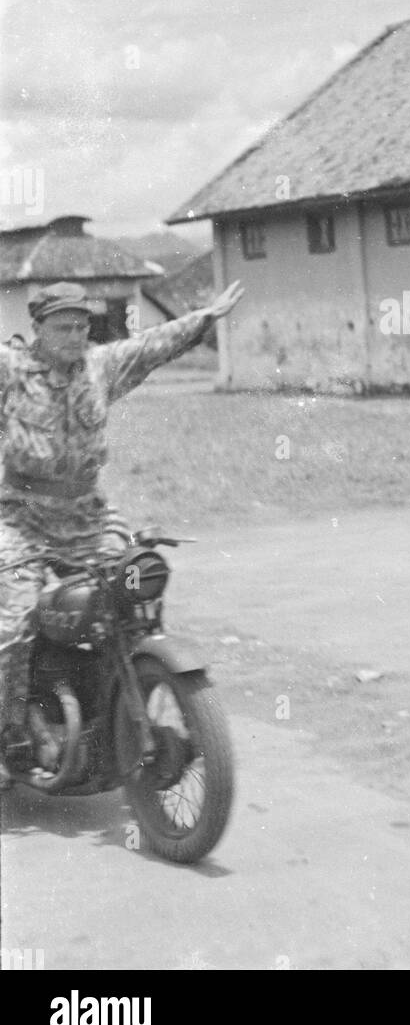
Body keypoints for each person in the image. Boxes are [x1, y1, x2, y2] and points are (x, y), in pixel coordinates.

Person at [0, 278, 244, 783]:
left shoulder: (100, 366)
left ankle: (119, 697)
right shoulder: (10, 369)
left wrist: (204, 318)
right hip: (20, 518)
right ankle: (12, 731)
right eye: (62, 325)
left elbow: (151, 346)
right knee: (12, 622)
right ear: (37, 328)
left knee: (132, 590)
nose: (73, 334)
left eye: (81, 324)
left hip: (88, 516)